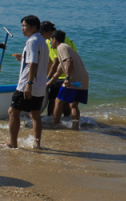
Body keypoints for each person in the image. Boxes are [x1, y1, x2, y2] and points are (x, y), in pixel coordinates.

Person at [5, 15, 50, 149]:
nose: (22, 29)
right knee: (35, 114)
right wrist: (23, 57)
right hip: (40, 85)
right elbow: (38, 61)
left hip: (27, 84)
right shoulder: (43, 41)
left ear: (34, 27)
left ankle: (13, 143)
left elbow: (33, 64)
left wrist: (29, 84)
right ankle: (37, 143)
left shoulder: (32, 41)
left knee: (12, 112)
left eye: (25, 26)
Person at [48, 30, 89, 130]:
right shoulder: (67, 48)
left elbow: (68, 61)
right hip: (83, 80)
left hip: (72, 80)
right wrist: (47, 83)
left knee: (58, 101)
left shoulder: (61, 47)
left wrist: (67, 77)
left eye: (50, 41)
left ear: (54, 39)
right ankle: (75, 127)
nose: (50, 43)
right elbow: (58, 71)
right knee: (74, 105)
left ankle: (56, 124)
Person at [40, 21, 80, 116]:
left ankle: (53, 121)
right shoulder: (48, 41)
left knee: (55, 100)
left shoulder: (60, 42)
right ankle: (63, 120)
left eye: (42, 32)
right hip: (60, 74)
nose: (40, 34)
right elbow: (49, 61)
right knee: (60, 100)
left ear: (49, 31)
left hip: (66, 75)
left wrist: (48, 80)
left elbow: (57, 62)